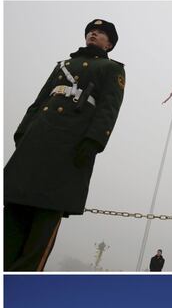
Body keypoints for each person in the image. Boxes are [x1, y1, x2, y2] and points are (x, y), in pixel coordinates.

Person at [4, 19, 125, 271]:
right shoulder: (63, 65)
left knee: (44, 222)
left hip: (70, 147)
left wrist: (94, 141)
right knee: (13, 214)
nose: (94, 33)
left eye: (101, 33)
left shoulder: (111, 69)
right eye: (92, 30)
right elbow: (40, 101)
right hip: (37, 141)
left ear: (110, 44)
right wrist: (23, 132)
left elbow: (108, 108)